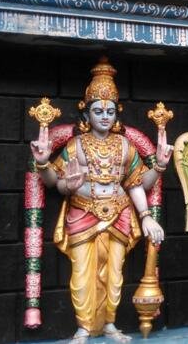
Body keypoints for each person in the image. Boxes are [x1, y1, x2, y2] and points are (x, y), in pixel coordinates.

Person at [30, 57, 172, 343]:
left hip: (119, 213)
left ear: (116, 114)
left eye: (110, 111)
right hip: (82, 214)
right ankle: (84, 326)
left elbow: (136, 184)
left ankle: (109, 324)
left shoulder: (125, 145)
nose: (105, 116)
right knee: (82, 273)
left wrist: (157, 169)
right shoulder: (76, 145)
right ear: (86, 113)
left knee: (115, 274)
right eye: (98, 111)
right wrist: (45, 165)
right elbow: (55, 182)